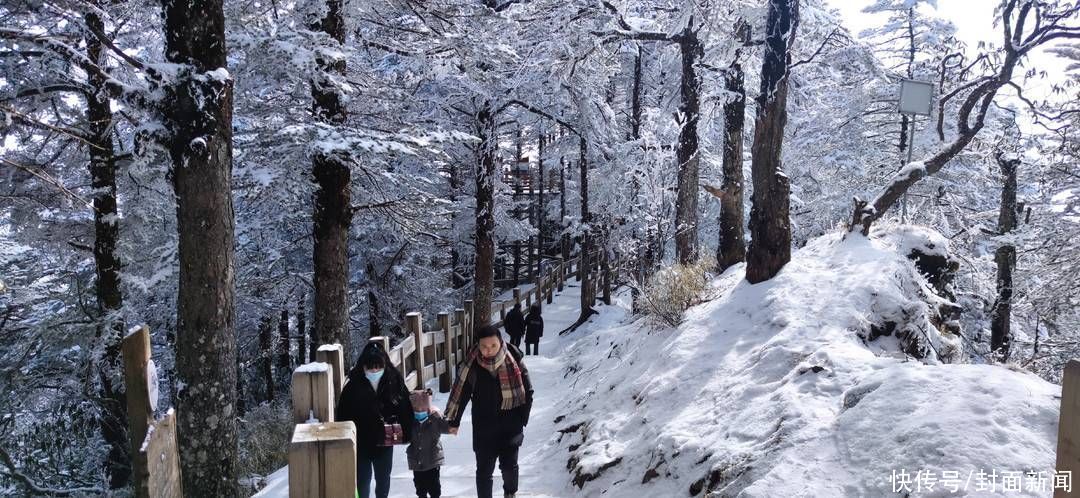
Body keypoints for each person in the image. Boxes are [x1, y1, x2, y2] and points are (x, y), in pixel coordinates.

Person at [445, 325, 534, 498]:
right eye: (484, 346)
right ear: (478, 345)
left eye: (493, 345)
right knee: (484, 470)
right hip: (483, 425)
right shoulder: (472, 366)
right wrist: (454, 422)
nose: (489, 350)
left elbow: (528, 390)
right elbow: (462, 393)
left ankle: (510, 493)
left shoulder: (513, 357)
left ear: (500, 343)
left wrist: (523, 418)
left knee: (509, 466)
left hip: (511, 423)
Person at [337, 342, 414, 498]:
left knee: (383, 480)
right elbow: (343, 414)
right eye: (370, 367)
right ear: (363, 366)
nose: (374, 371)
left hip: (385, 440)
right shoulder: (352, 386)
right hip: (361, 443)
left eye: (378, 367)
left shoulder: (394, 381)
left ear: (384, 365)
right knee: (362, 483)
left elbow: (405, 407)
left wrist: (407, 432)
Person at [407, 389, 452, 498]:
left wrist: (440, 416)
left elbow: (449, 428)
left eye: (422, 408)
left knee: (434, 489)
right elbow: (404, 437)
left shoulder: (435, 419)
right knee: (420, 489)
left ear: (428, 408)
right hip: (416, 461)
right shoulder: (410, 421)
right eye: (416, 409)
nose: (419, 411)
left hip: (433, 461)